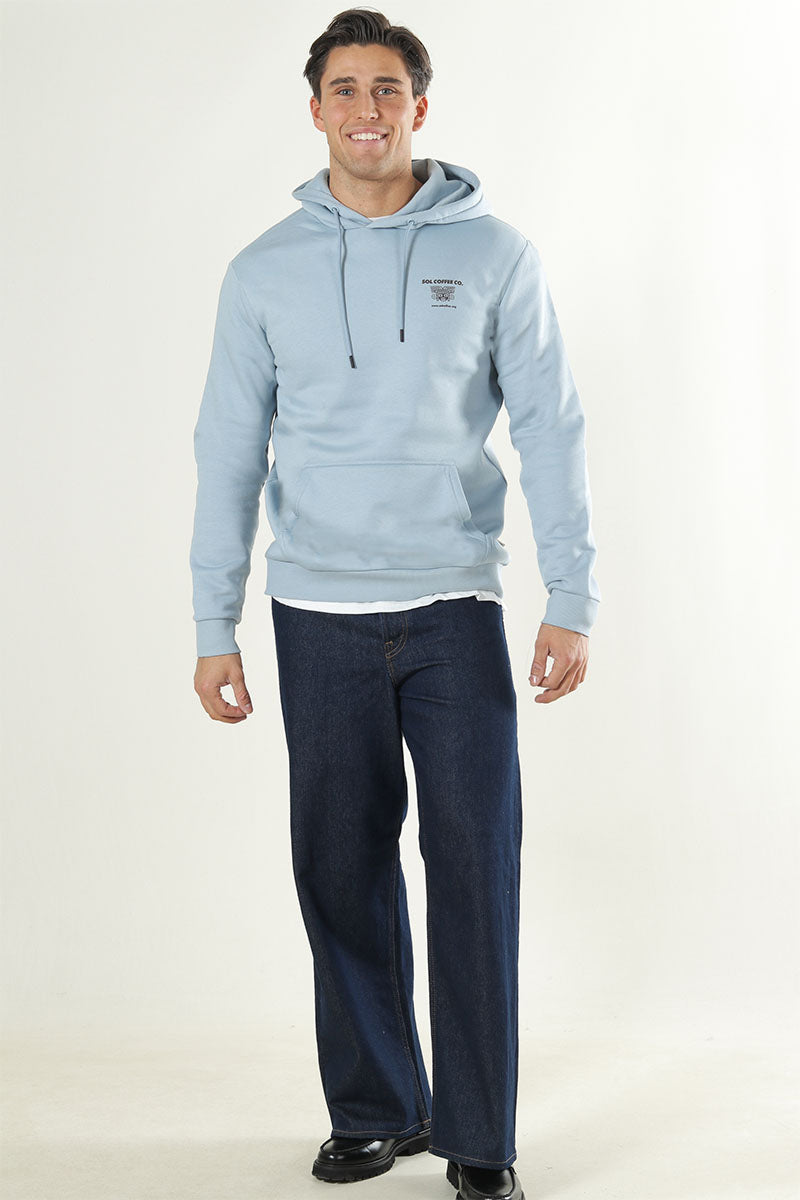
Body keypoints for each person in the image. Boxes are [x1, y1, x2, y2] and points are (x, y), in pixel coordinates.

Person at [189, 9, 601, 1200]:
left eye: (385, 88)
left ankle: (478, 1136)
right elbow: (226, 453)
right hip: (314, 614)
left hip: (454, 608)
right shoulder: (262, 271)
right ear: (314, 108)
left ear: (419, 107)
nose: (364, 108)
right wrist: (214, 624)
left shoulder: (495, 254)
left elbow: (550, 427)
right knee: (339, 868)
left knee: (474, 867)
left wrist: (569, 592)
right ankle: (376, 1109)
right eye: (343, 88)